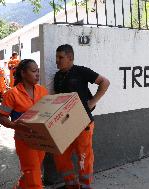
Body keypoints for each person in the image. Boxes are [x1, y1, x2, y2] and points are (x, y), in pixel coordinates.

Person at [53, 44, 110, 189]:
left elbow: (105, 82)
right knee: (61, 155)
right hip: (65, 123)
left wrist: (92, 102)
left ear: (70, 57)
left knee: (83, 158)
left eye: (61, 57)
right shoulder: (57, 76)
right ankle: (71, 185)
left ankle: (85, 185)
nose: (57, 61)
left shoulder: (81, 71)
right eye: (56, 57)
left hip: (83, 122)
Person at [0, 59, 48, 189]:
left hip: (42, 139)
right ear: (23, 73)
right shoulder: (11, 94)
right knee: (33, 173)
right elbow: (2, 118)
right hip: (24, 141)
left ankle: (21, 186)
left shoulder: (43, 91)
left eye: (38, 70)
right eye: (33, 71)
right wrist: (15, 125)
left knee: (33, 169)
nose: (37, 74)